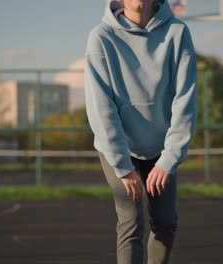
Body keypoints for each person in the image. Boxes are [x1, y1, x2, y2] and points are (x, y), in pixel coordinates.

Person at [84, 0, 198, 263]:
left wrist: (169, 159)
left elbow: (186, 100)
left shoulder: (177, 32)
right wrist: (123, 166)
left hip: (160, 147)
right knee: (131, 221)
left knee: (166, 224)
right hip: (118, 146)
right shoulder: (101, 37)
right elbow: (101, 109)